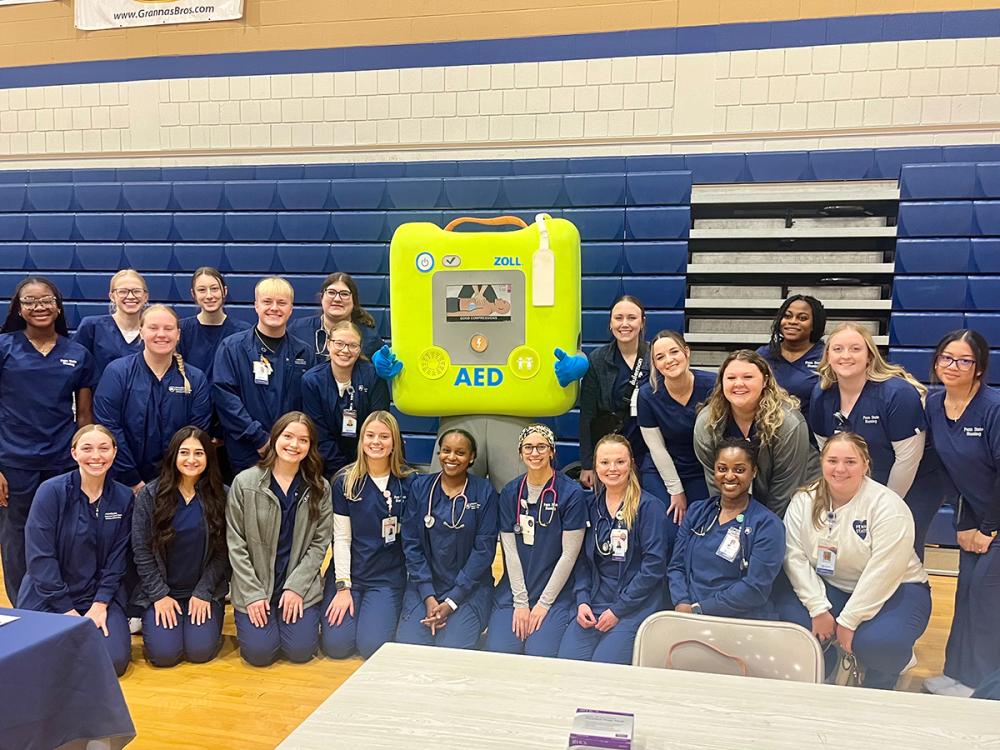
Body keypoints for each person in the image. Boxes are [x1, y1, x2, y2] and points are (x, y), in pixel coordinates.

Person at [777, 432, 931, 690]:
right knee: (795, 628)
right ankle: (824, 662)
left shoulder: (887, 506)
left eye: (850, 462)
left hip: (897, 588)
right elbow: (794, 556)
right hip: (834, 584)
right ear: (822, 463)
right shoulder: (804, 500)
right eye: (833, 461)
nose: (840, 469)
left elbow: (884, 572)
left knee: (880, 644)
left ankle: (889, 668)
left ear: (865, 465)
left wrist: (848, 621)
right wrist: (818, 608)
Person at [810, 322, 947, 555]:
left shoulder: (897, 394)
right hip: (862, 480)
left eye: (855, 349)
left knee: (897, 547)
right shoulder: (821, 395)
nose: (846, 356)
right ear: (828, 356)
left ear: (869, 357)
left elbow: (907, 460)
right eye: (838, 349)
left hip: (915, 482)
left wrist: (881, 508)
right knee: (854, 547)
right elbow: (829, 454)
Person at [0, 277, 96, 604]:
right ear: (19, 309)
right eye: (30, 301)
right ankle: (23, 608)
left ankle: (60, 603)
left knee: (63, 534)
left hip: (61, 462)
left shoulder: (78, 353)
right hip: (14, 463)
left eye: (46, 300)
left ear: (58, 306)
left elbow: (84, 417)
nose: (39, 307)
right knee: (16, 538)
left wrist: (85, 464)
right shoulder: (4, 347)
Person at [16, 425, 133, 676]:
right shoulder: (51, 492)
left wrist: (101, 603)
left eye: (104, 448)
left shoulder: (124, 498)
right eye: (87, 448)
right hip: (49, 595)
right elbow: (40, 558)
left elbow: (117, 559)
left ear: (114, 452)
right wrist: (67, 611)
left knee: (114, 662)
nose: (96, 456)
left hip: (97, 596)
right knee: (37, 664)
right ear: (74, 453)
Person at [923, 330, 1000, 697]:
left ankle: (986, 687)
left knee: (986, 597)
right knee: (964, 591)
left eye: (964, 360)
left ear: (980, 369)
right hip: (977, 516)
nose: (953, 366)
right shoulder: (934, 404)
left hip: (995, 520)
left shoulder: (993, 409)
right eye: (946, 358)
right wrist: (965, 522)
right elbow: (946, 467)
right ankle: (958, 674)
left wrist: (987, 528)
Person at [226, 412, 333, 666]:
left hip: (298, 588)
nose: (294, 445)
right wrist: (252, 594)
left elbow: (320, 544)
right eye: (288, 437)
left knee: (300, 652)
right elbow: (235, 544)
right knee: (260, 654)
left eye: (303, 440)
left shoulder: (320, 488)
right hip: (256, 586)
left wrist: (296, 587)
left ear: (310, 447)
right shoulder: (245, 483)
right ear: (275, 438)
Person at [557, 434, 668, 664]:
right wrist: (582, 600)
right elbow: (582, 562)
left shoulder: (650, 508)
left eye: (620, 462)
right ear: (595, 466)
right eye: (605, 462)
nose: (612, 469)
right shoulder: (589, 506)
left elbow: (653, 568)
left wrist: (618, 610)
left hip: (633, 606)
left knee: (604, 665)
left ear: (632, 464)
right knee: (568, 662)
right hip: (594, 601)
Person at [485, 424, 586, 657]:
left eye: (541, 447)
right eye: (528, 447)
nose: (535, 453)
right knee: (500, 650)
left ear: (552, 451)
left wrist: (543, 604)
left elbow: (569, 555)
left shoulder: (571, 493)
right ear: (520, 453)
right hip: (514, 592)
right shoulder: (511, 492)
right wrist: (521, 603)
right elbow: (509, 551)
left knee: (539, 652)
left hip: (555, 593)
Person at [131, 427, 229, 667]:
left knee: (200, 652)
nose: (191, 460)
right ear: (173, 456)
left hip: (202, 591)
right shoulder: (150, 495)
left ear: (209, 457)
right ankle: (153, 621)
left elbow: (223, 552)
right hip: (163, 592)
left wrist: (204, 592)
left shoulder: (222, 495)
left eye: (199, 453)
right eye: (184, 452)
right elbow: (141, 551)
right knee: (164, 656)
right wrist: (159, 595)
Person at [321, 411, 416, 659]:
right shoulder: (344, 481)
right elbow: (341, 539)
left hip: (386, 579)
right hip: (350, 575)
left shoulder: (409, 481)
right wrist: (343, 587)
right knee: (337, 647)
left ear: (394, 442)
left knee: (371, 648)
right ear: (361, 440)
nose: (376, 442)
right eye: (370, 435)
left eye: (384, 436)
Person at [397, 429, 498, 648]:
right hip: (424, 587)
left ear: (472, 457)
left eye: (460, 452)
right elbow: (411, 545)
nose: (451, 457)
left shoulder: (484, 492)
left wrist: (452, 601)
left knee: (451, 649)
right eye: (446, 451)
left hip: (469, 590)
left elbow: (484, 551)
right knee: (408, 648)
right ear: (439, 453)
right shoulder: (420, 488)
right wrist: (428, 596)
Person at [94, 305, 212, 492]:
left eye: (168, 328)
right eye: (153, 328)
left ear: (178, 334)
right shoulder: (117, 372)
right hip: (124, 484)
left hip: (178, 483)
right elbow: (109, 428)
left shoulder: (195, 379)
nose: (161, 334)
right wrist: (132, 480)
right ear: (141, 332)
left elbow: (196, 434)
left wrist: (174, 480)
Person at [668, 438, 785, 620]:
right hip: (688, 615)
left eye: (739, 470)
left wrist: (701, 609)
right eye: (722, 469)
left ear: (753, 472)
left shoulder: (767, 525)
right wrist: (682, 602)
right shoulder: (697, 512)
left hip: (741, 620)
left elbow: (755, 589)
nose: (729, 476)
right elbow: (676, 566)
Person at [693, 349, 818, 517]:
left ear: (765, 381)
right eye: (731, 378)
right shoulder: (707, 422)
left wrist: (759, 530)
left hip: (798, 497)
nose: (738, 384)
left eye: (748, 377)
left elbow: (784, 493)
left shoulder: (789, 423)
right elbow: (718, 487)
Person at [212, 277, 316, 474]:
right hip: (247, 451)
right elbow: (225, 398)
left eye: (282, 303)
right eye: (267, 302)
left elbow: (308, 405)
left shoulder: (304, 352)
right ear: (256, 306)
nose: (274, 308)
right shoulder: (232, 348)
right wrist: (258, 438)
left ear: (291, 308)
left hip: (291, 453)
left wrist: (290, 441)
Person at [637, 330, 716, 544]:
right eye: (660, 357)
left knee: (700, 528)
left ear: (687, 352)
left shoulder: (713, 386)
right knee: (669, 528)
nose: (669, 360)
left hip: (700, 468)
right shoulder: (647, 395)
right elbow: (657, 449)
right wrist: (676, 491)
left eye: (674, 352)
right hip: (662, 468)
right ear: (654, 364)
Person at [578, 295, 650, 491]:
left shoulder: (655, 357)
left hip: (647, 452)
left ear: (642, 322)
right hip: (609, 454)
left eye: (631, 318)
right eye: (618, 318)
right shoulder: (598, 359)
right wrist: (587, 464)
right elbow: (587, 414)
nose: (624, 324)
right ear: (610, 323)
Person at [301, 321, 389, 478]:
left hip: (371, 463)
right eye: (339, 343)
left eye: (352, 345)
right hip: (326, 467)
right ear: (328, 344)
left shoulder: (373, 376)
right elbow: (319, 434)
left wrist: (362, 468)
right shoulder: (312, 381)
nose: (345, 350)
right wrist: (343, 473)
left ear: (360, 349)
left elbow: (379, 425)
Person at [757, 295, 827, 421]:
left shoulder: (826, 356)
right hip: (766, 431)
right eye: (787, 316)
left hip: (811, 435)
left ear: (814, 324)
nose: (793, 321)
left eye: (802, 318)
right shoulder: (763, 355)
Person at [73, 268, 148, 378]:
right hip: (101, 394)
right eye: (123, 291)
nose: (131, 296)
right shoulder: (91, 326)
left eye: (136, 291)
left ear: (145, 297)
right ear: (112, 296)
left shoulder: (154, 330)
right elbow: (76, 368)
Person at [289, 272, 382, 361]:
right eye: (331, 292)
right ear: (322, 298)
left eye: (344, 294)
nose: (337, 299)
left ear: (354, 301)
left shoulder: (369, 338)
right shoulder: (298, 330)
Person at [178, 267, 251, 376]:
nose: (209, 296)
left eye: (214, 289)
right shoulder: (182, 329)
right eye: (202, 290)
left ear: (224, 291)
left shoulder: (243, 331)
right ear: (193, 294)